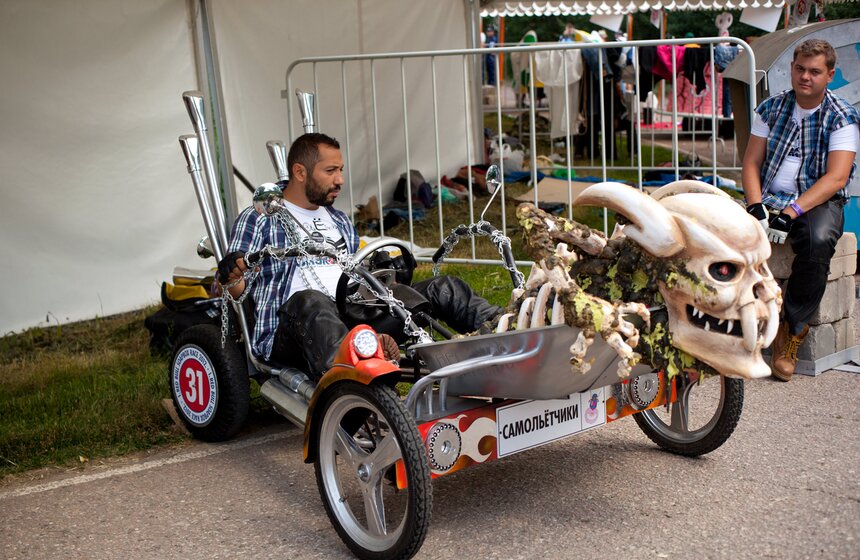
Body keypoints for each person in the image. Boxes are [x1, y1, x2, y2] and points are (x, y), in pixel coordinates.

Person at [217, 133, 501, 381]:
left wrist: (387, 272)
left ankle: (505, 331)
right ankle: (355, 373)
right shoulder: (261, 217)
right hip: (293, 327)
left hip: (352, 311)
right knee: (311, 299)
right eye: (330, 171)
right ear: (300, 172)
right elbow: (239, 296)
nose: (340, 180)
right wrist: (231, 275)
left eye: (340, 170)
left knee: (444, 287)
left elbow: (352, 273)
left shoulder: (338, 219)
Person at [741, 39, 860, 381]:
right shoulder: (771, 108)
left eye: (815, 71)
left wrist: (791, 212)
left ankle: (790, 331)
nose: (805, 77)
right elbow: (751, 162)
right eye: (800, 69)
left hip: (816, 199)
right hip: (769, 197)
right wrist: (755, 205)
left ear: (830, 75)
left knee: (819, 240)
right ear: (792, 69)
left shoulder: (842, 117)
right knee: (725, 232)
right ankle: (732, 321)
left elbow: (837, 177)